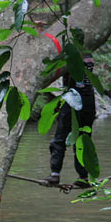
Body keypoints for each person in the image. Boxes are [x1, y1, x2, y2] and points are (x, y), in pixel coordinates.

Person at [42, 53, 97, 188]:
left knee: (60, 138)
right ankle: (83, 177)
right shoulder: (88, 56)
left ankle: (55, 174)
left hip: (72, 99)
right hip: (88, 100)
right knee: (83, 140)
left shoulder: (69, 57)